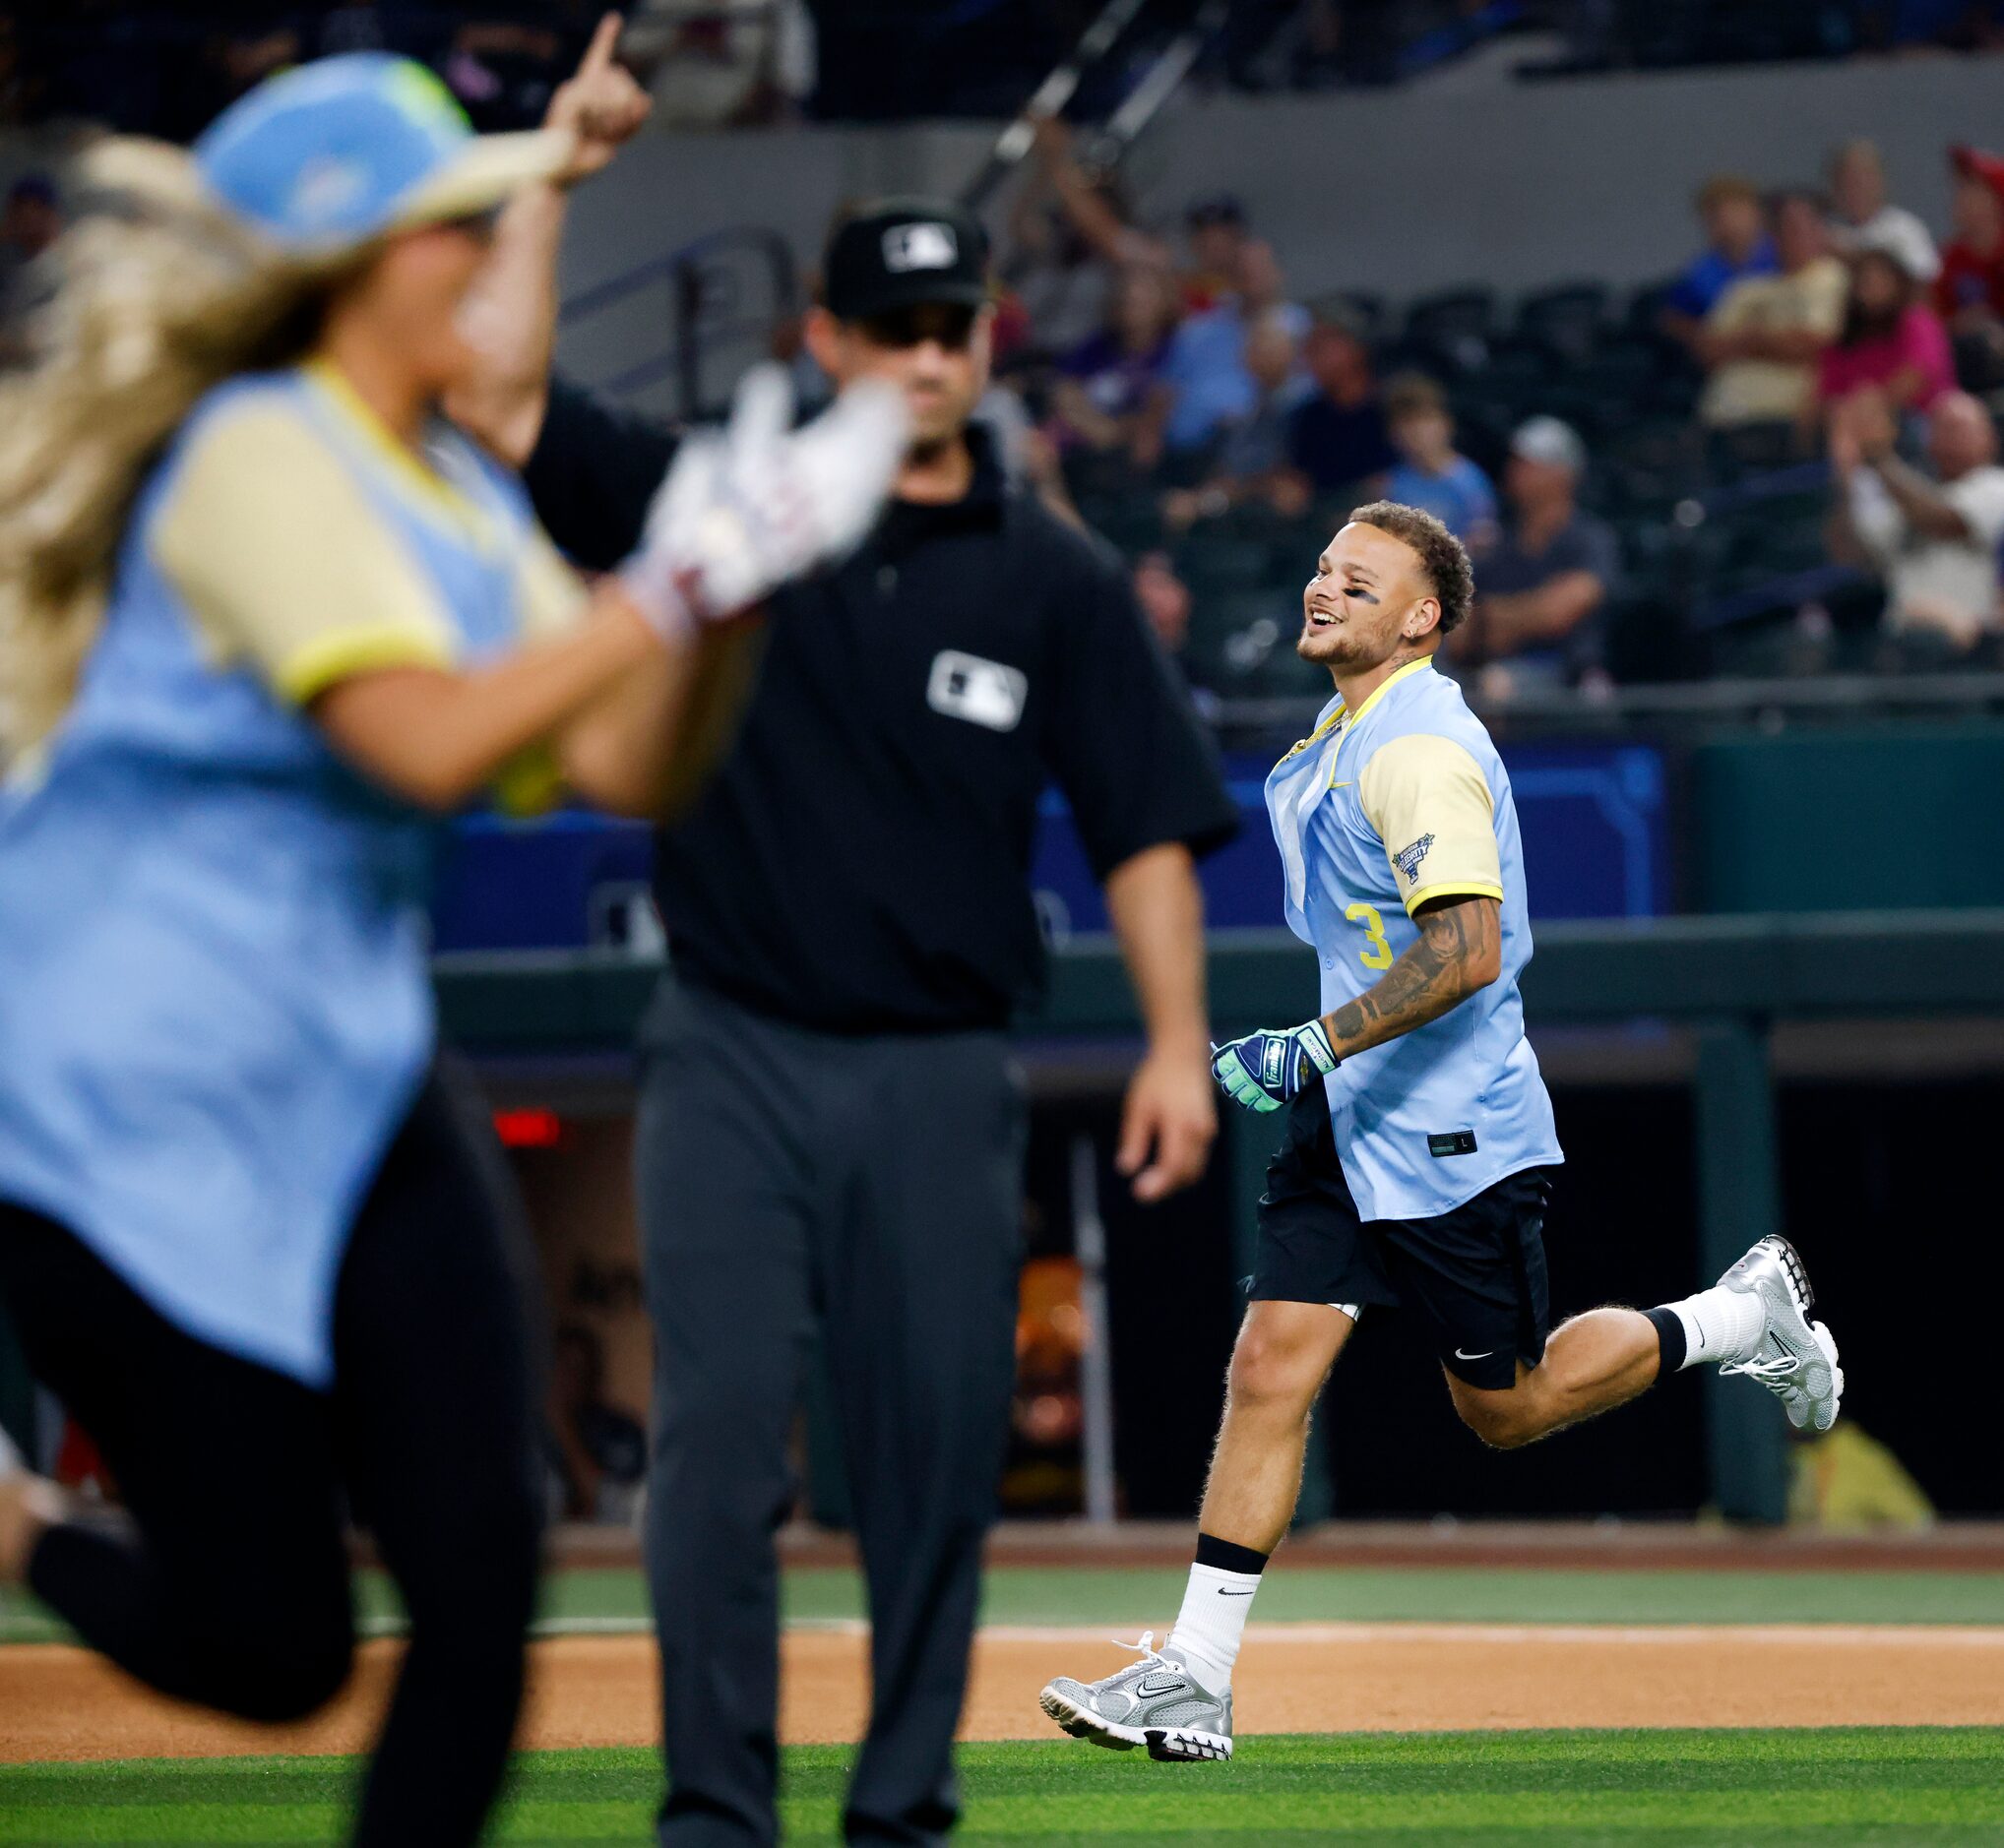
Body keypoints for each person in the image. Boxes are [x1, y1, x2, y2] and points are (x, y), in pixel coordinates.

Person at [0, 37, 905, 1848]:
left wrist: (735, 582)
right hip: (121, 1102)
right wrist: (680, 578)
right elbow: (422, 732)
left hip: (343, 1071)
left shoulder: (449, 492)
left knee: (487, 1574)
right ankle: (16, 1527)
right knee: (273, 1645)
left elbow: (626, 755)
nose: (490, 253)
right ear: (351, 262)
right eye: (453, 227)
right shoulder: (255, 452)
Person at [453, 166, 1240, 1842]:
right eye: (889, 327)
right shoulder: (714, 503)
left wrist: (1175, 1037)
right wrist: (552, 178)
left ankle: (899, 1808)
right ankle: (713, 1813)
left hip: (943, 1065)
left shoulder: (1053, 577)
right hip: (728, 1041)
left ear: (985, 341)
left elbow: (1145, 823)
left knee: (934, 1462)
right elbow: (496, 393)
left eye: (949, 326)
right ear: (823, 337)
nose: (922, 356)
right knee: (719, 1455)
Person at [1036, 500, 1844, 1762]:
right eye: (1319, 570)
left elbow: (1464, 949)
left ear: (1420, 619)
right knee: (1265, 1369)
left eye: (1357, 584)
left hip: (1453, 1135)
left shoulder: (1416, 748)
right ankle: (1194, 1675)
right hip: (1352, 1119)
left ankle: (1738, 1319)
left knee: (1505, 1413)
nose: (1320, 589)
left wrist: (1311, 1046)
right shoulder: (1341, 730)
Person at [1829, 386, 2004, 657]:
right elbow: (1852, 554)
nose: (1951, 438)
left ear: (1990, 438)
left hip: (1968, 648)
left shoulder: (1995, 486)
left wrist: (1877, 456)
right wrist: (1846, 476)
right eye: (1942, 428)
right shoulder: (1909, 496)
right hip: (1901, 650)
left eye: (1961, 428)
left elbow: (1942, 521)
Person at [1452, 416, 1618, 694]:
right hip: (1494, 670)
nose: (1516, 470)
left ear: (1562, 473)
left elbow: (1559, 613)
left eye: (1529, 464)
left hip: (1573, 676)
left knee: (1498, 684)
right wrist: (1524, 616)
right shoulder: (1498, 543)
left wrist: (1494, 615)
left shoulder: (1590, 539)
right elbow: (1460, 634)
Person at [1696, 189, 1847, 433]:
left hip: (1788, 422)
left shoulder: (1835, 278)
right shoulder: (1745, 287)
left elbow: (1819, 345)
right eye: (1789, 227)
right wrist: (1779, 341)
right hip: (1721, 421)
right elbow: (1708, 350)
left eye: (1808, 225)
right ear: (1773, 235)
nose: (1800, 235)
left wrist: (1751, 337)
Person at [1148, 238, 1308, 466]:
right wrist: (1150, 432)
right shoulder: (1200, 327)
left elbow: (1300, 393)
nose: (1251, 277)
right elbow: (1164, 387)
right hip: (1178, 452)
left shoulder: (1302, 327)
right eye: (1243, 270)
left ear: (1278, 273)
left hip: (1251, 448)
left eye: (1259, 268)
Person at [1160, 307, 1311, 529]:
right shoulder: (1249, 411)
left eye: (1264, 343)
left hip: (1277, 526)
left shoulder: (1302, 407)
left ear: (1292, 350)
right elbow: (1228, 474)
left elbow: (1283, 484)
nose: (1251, 352)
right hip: (1237, 515)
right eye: (1251, 344)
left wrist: (1208, 501)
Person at [1047, 262, 1182, 475]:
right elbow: (1065, 391)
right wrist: (1095, 426)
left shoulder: (1174, 350)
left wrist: (1114, 431)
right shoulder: (1099, 343)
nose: (1131, 301)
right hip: (1074, 442)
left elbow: (1156, 413)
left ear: (1164, 303)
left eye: (1142, 301)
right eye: (1126, 298)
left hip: (1124, 458)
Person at [1816, 248, 1954, 420]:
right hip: (1856, 424)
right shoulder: (1845, 336)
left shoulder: (1917, 321)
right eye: (1866, 282)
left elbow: (1918, 374)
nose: (1874, 288)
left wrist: (1874, 404)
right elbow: (1828, 392)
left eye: (1881, 280)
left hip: (1920, 419)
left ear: (1899, 284)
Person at [1282, 304, 1398, 501]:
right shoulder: (1308, 417)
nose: (1310, 355)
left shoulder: (1392, 408)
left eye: (1321, 346)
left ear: (1357, 348)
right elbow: (1298, 479)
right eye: (1308, 346)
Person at [1659, 173, 1777, 356]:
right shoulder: (1702, 269)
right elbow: (1673, 318)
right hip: (1722, 358)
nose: (1726, 221)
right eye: (1714, 215)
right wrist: (1702, 338)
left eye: (1735, 211)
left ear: (1757, 212)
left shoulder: (1783, 255)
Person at [1381, 371, 1498, 546]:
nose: (1415, 432)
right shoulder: (1391, 483)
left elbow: (1484, 539)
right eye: (1406, 423)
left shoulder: (1469, 481)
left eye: (1425, 420)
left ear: (1446, 424)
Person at [1933, 145, 2004, 388]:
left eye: (1971, 188)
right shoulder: (1951, 258)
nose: (1959, 196)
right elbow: (1934, 322)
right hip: (1965, 371)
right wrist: (1961, 323)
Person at [1826, 138, 1939, 285]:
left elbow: (1923, 278)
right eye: (1848, 182)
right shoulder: (1831, 233)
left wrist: (1852, 257)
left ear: (1880, 183)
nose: (1856, 190)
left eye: (1864, 180)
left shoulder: (1904, 228)